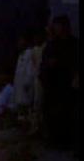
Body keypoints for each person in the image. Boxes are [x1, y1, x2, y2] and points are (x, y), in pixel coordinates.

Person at [40, 15, 79, 150]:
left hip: (67, 86)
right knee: (52, 115)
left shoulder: (73, 44)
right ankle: (54, 141)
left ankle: (66, 142)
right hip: (52, 87)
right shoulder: (51, 45)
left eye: (59, 26)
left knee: (67, 115)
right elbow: (44, 64)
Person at [12, 30, 35, 127]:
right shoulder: (21, 55)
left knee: (26, 109)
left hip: (26, 87)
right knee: (20, 109)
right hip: (19, 86)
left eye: (21, 41)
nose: (19, 43)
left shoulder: (30, 53)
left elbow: (30, 71)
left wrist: (27, 83)